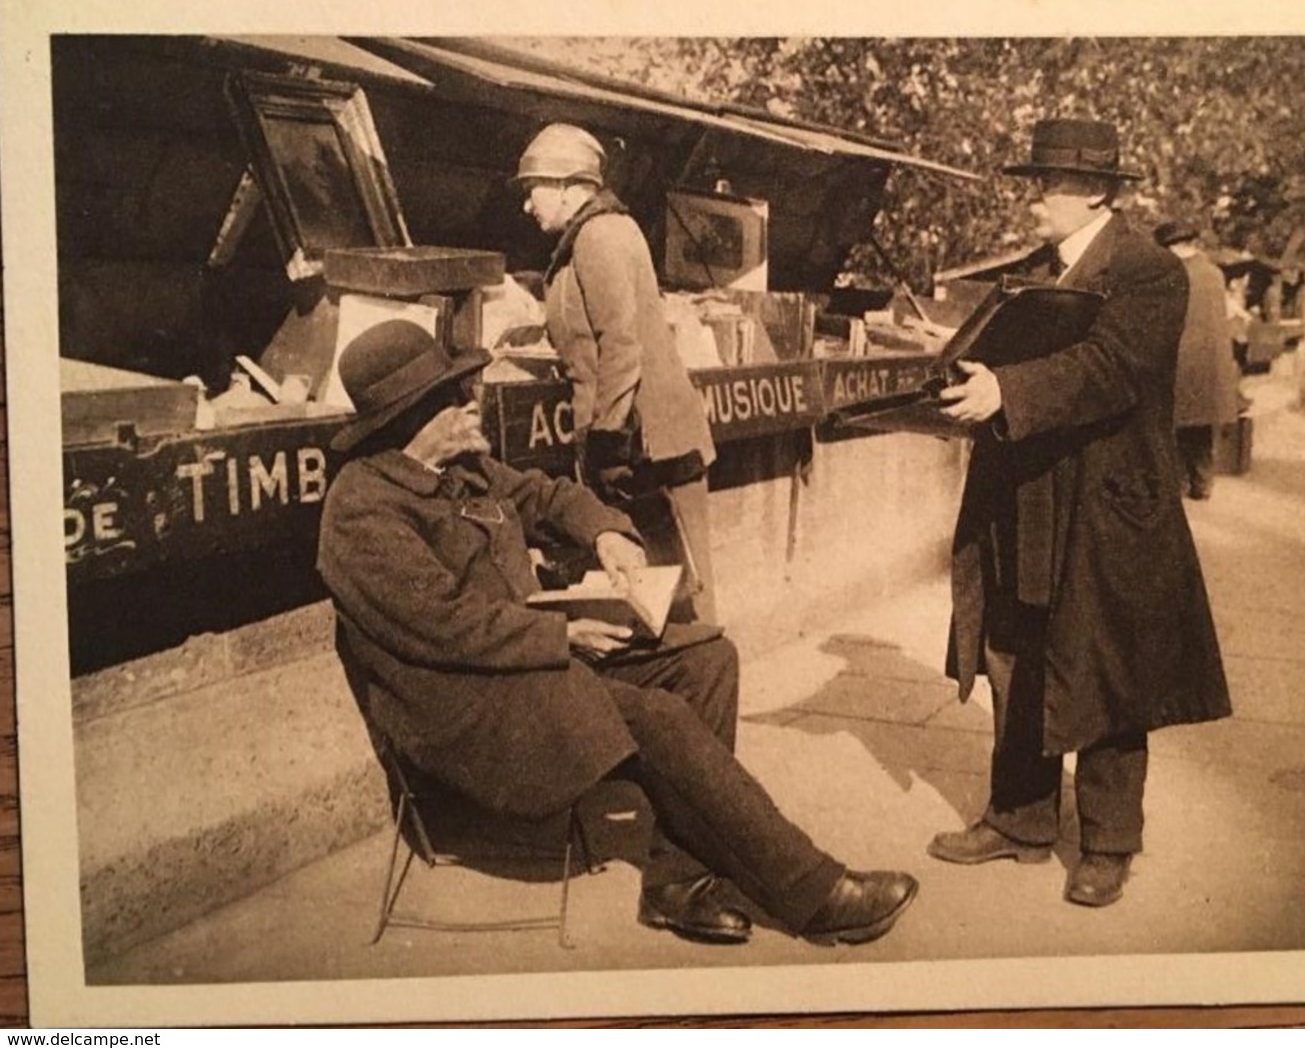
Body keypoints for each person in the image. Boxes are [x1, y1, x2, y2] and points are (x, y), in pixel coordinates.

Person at [317, 319, 917, 948]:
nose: (470, 403)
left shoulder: (464, 469)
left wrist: (606, 533)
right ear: (412, 418)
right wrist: (562, 634)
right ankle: (812, 892)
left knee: (708, 657)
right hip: (470, 713)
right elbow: (443, 624)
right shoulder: (361, 510)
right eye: (452, 397)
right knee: (654, 719)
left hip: (532, 663)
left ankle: (676, 882)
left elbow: (546, 497)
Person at [926, 119, 1232, 908]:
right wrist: (962, 359)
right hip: (1024, 489)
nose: (1034, 200)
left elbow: (1112, 368)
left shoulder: (1150, 271)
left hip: (1105, 498)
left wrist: (1008, 391)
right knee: (1014, 648)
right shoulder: (1036, 268)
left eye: (1047, 184)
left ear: (1093, 192)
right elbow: (1007, 347)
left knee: (1105, 662)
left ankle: (1107, 842)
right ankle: (1021, 818)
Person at [513, 123, 720, 623]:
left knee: (676, 590)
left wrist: (606, 441)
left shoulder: (599, 236)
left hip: (645, 448)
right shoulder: (592, 233)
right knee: (662, 590)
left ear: (565, 185)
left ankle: (701, 686)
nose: (527, 204)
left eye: (532, 189)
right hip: (639, 442)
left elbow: (620, 344)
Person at [1154, 220, 1240, 500]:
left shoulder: (1171, 275)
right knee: (1202, 428)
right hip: (1211, 364)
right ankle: (1203, 483)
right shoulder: (1214, 273)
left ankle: (1178, 485)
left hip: (1183, 361)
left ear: (1172, 247)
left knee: (1176, 427)